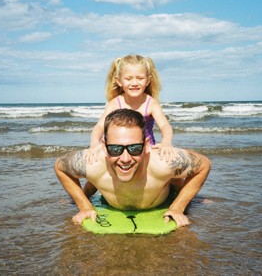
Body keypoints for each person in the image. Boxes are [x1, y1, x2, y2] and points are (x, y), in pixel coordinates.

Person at [55, 109, 211, 227]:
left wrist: (178, 207)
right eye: (115, 149)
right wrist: (84, 206)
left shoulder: (162, 163)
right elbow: (59, 167)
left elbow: (203, 164)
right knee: (93, 182)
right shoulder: (92, 163)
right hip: (104, 179)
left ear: (146, 146)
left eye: (134, 148)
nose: (125, 159)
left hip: (162, 192)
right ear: (104, 147)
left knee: (176, 180)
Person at [84, 54, 177, 196]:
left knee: (174, 173)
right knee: (93, 179)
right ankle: (80, 199)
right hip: (119, 150)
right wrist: (93, 144)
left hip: (146, 149)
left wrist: (166, 143)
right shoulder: (116, 103)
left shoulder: (150, 103)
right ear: (119, 81)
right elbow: (99, 127)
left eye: (140, 78)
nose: (134, 83)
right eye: (128, 78)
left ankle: (187, 200)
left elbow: (165, 126)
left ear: (148, 80)